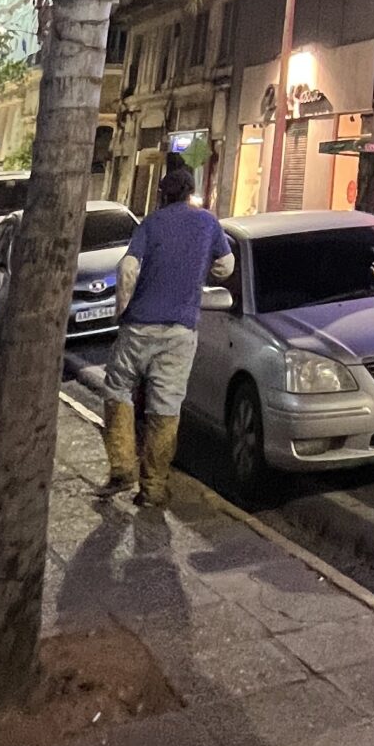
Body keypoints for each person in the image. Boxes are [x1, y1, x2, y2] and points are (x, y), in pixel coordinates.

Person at [98, 164, 233, 505]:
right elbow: (226, 266)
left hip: (139, 326)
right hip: (180, 332)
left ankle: (122, 466)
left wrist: (122, 310)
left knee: (118, 390)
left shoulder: (151, 224)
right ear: (190, 192)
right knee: (166, 406)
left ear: (163, 195)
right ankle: (153, 487)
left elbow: (128, 269)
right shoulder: (208, 223)